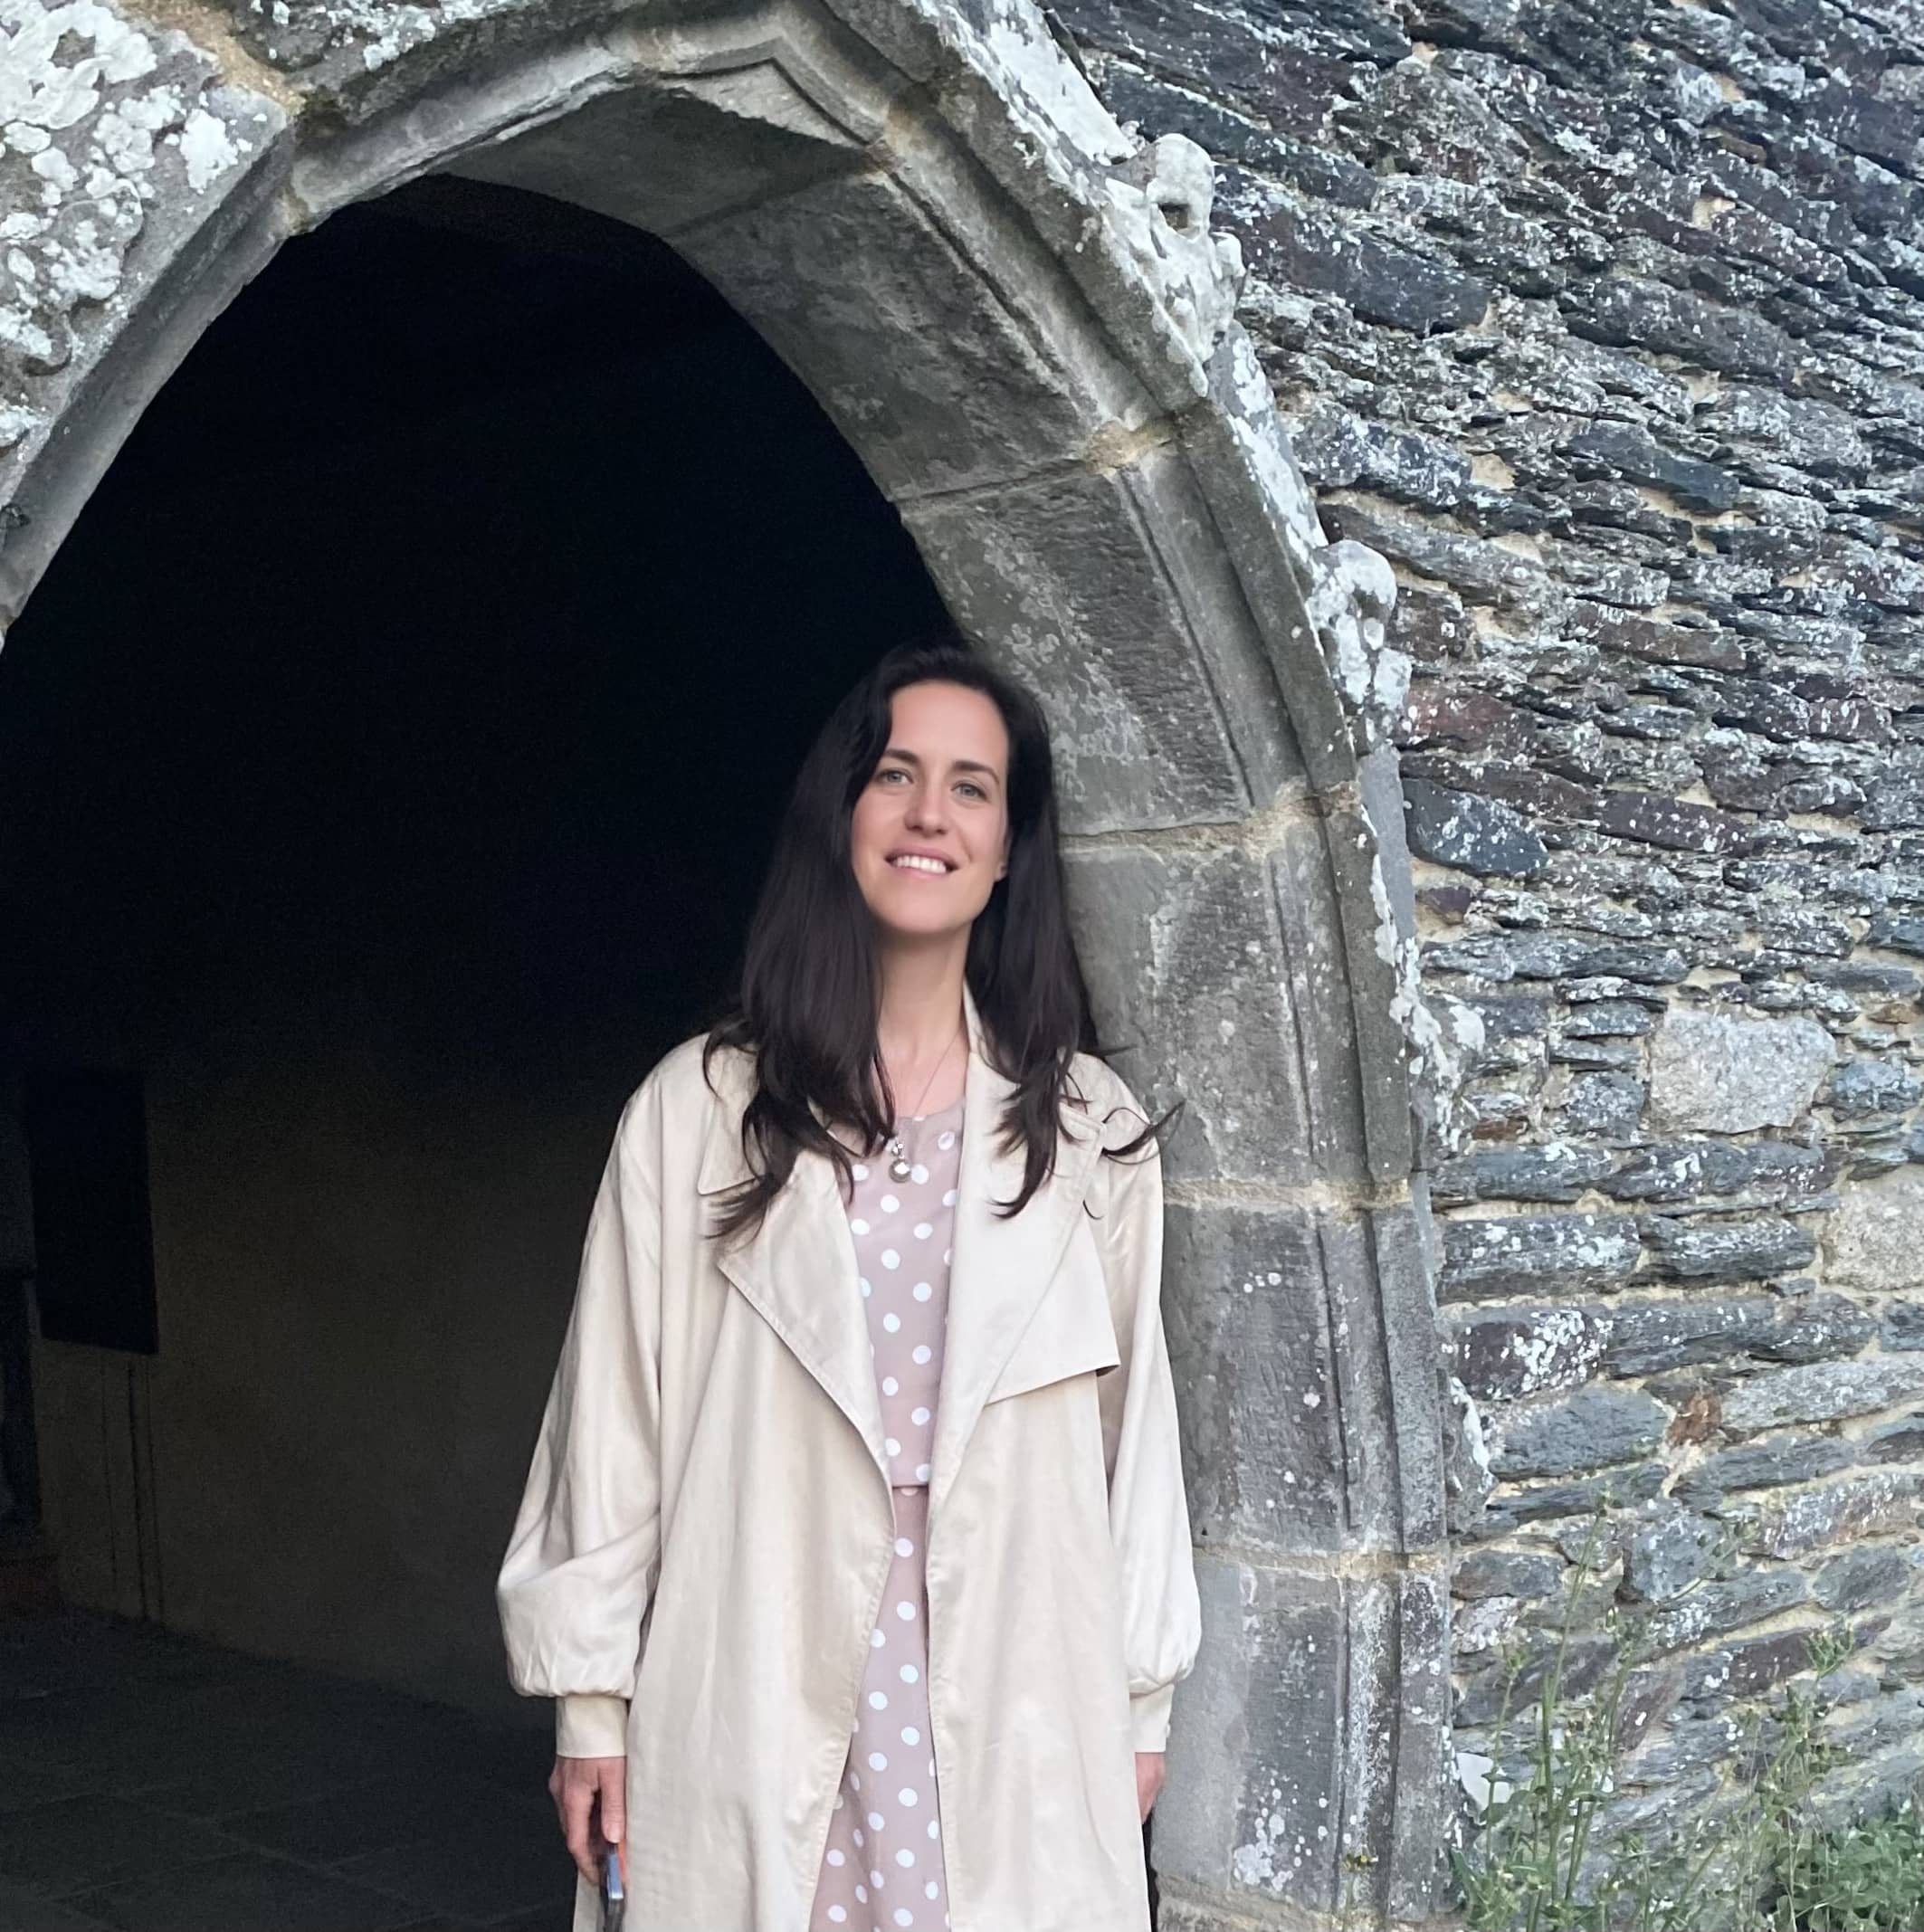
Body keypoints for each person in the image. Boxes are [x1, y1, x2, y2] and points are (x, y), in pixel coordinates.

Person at [498, 642, 1201, 1932]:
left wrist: (1139, 1701)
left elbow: (1132, 1446)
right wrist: (589, 1701)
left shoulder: (1085, 1135)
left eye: (972, 787)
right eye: (896, 774)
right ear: (842, 815)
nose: (930, 813)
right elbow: (611, 1426)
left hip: (1014, 1693)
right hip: (755, 1665)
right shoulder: (699, 1112)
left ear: (1006, 851)